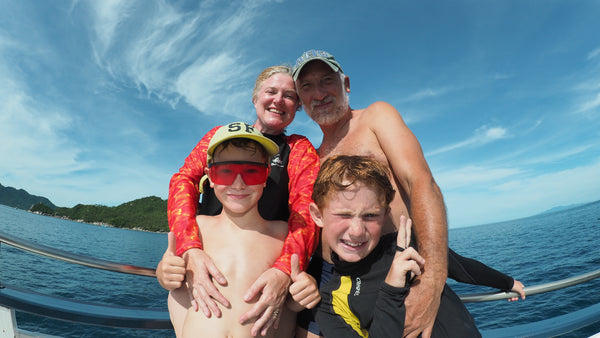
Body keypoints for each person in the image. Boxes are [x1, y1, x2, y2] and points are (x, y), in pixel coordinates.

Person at [291, 49, 488, 338]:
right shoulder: (314, 156)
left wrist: (431, 284)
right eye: (307, 86)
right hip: (342, 294)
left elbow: (421, 182)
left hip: (401, 277)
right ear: (300, 99)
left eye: (326, 81)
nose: (319, 93)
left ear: (345, 84)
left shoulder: (375, 117)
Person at [158, 66, 320, 336]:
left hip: (266, 262)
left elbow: (306, 207)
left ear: (297, 106)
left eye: (289, 96)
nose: (279, 100)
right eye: (271, 91)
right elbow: (183, 180)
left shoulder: (298, 149)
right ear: (255, 98)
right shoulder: (218, 137)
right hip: (207, 259)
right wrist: (190, 248)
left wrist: (283, 270)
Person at [309, 155, 525, 337]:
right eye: (344, 215)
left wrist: (506, 282)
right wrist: (392, 289)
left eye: (370, 215)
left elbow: (461, 267)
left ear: (385, 215)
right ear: (318, 216)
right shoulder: (330, 303)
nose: (356, 230)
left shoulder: (405, 246)